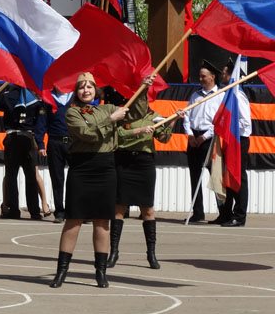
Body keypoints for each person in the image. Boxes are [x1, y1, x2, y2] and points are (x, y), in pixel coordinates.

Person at [49, 72, 134, 289]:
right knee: (74, 220)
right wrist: (111, 120)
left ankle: (101, 272)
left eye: (89, 86)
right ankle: (61, 272)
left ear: (96, 89)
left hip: (106, 167)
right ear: (76, 91)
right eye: (81, 87)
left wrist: (141, 88)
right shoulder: (72, 112)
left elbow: (133, 113)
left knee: (102, 221)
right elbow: (88, 134)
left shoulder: (108, 107)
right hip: (82, 167)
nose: (86, 91)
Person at [106, 78, 176, 270]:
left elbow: (164, 138)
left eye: (142, 98)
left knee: (148, 210)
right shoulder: (123, 114)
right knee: (119, 208)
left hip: (144, 163)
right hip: (124, 160)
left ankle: (151, 254)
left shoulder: (154, 116)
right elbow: (117, 135)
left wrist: (173, 121)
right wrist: (139, 130)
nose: (139, 102)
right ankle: (114, 252)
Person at [0, 82, 45, 220]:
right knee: (21, 176)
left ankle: (20, 210)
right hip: (20, 137)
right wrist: (40, 143)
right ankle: (31, 211)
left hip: (21, 138)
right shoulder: (33, 97)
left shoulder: (31, 98)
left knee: (19, 176)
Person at [182, 60, 222, 224]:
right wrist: (190, 135)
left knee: (216, 176)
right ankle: (198, 212)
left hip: (210, 138)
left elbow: (220, 121)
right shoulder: (195, 95)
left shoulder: (221, 95)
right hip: (194, 138)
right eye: (200, 76)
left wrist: (204, 137)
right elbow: (186, 116)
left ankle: (223, 212)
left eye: (203, 76)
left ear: (212, 77)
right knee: (194, 176)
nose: (200, 79)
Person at [213, 58, 252, 227]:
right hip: (228, 139)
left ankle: (240, 215)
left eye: (223, 72)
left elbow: (245, 122)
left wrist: (230, 128)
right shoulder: (228, 93)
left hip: (239, 139)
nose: (221, 75)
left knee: (238, 177)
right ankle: (226, 213)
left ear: (231, 74)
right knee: (225, 177)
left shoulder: (238, 95)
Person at [36, 87, 72, 223]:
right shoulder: (48, 99)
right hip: (55, 142)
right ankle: (60, 212)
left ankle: (77, 210)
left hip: (74, 142)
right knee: (57, 179)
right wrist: (40, 143)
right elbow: (41, 122)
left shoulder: (77, 96)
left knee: (77, 178)